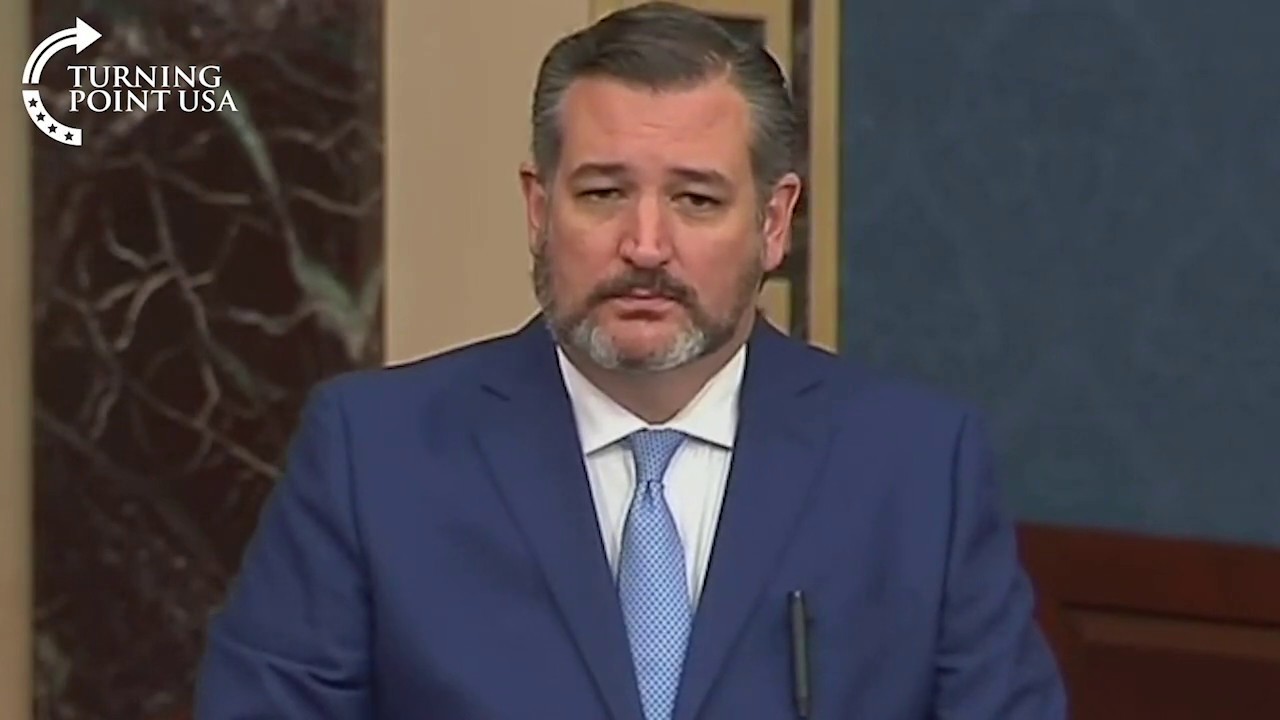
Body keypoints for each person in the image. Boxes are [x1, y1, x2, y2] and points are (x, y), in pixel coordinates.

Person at [193, 2, 1067, 718]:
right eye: (604, 193)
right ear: (540, 209)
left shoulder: (917, 467)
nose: (645, 245)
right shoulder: (374, 453)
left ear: (773, 223)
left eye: (696, 199)